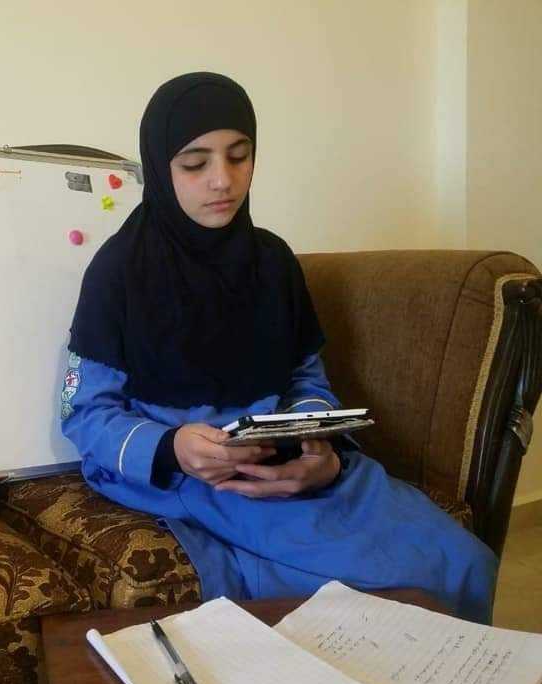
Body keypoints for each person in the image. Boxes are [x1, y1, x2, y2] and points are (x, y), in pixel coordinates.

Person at [60, 72, 498, 623]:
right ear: (159, 167)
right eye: (194, 163)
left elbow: (306, 380)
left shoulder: (272, 262)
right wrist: (174, 448)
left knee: (466, 563)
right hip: (190, 477)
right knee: (395, 589)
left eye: (239, 156)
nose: (222, 180)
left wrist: (317, 449)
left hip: (289, 466)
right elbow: (85, 414)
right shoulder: (118, 272)